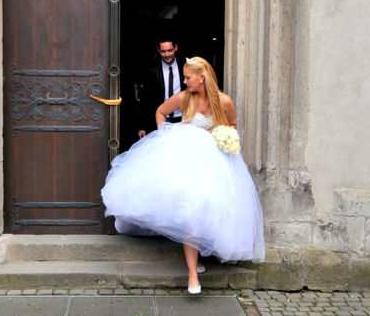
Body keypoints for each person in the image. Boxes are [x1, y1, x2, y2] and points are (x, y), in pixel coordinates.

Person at [101, 56, 265, 294]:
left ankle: (197, 257)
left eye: (188, 77)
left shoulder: (224, 101)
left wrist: (225, 136)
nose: (185, 81)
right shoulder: (184, 98)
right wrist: (165, 133)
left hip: (216, 161)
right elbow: (160, 112)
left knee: (209, 209)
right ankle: (192, 275)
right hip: (187, 160)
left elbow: (232, 124)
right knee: (191, 211)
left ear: (202, 77)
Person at [137, 37, 186, 139]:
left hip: (183, 119)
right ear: (158, 50)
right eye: (163, 51)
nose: (167, 55)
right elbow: (144, 99)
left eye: (170, 50)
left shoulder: (185, 66)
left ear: (175, 48)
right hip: (159, 120)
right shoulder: (151, 69)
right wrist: (142, 126)